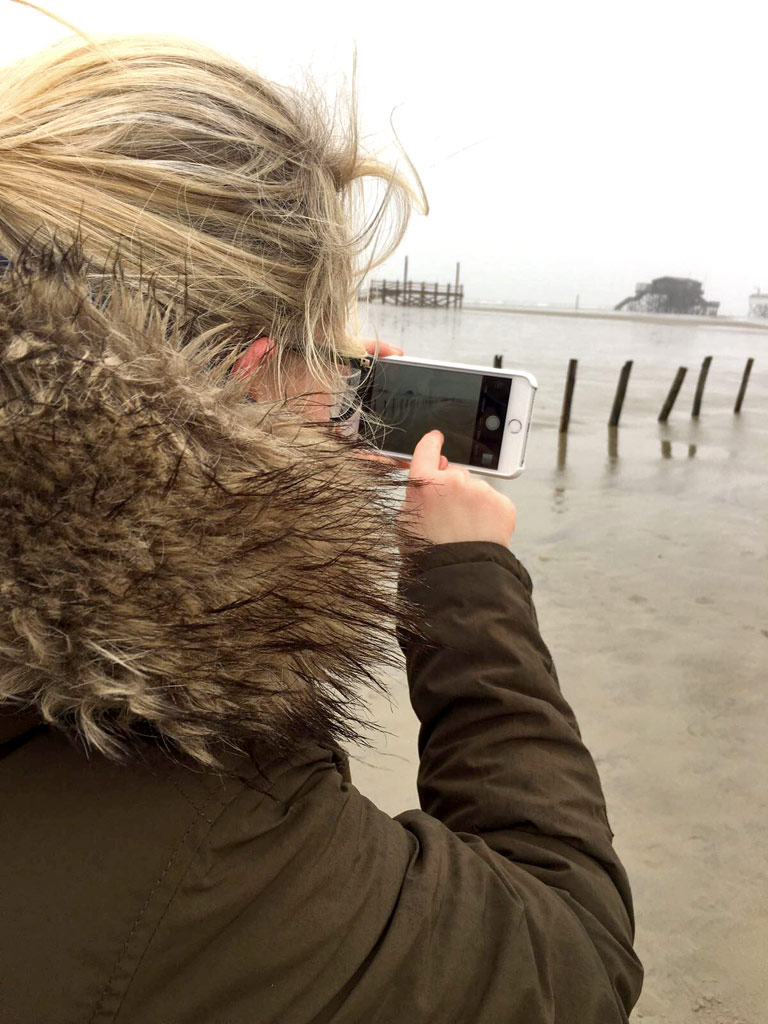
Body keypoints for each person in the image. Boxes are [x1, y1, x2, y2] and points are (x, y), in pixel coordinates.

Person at [0, 29, 643, 1024]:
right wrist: (462, 581)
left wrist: (253, 476)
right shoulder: (208, 858)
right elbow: (569, 956)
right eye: (316, 356)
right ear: (251, 373)